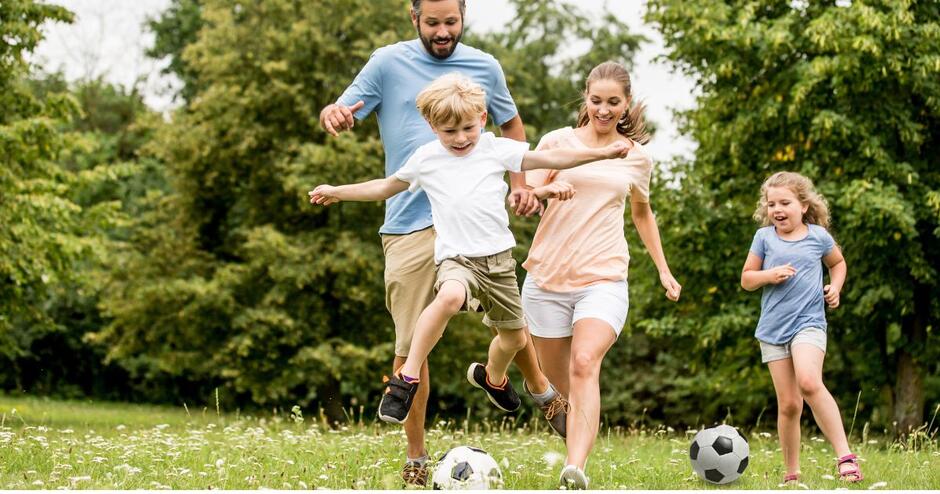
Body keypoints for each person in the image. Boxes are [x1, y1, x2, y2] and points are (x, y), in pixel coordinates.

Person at [317, 0, 567, 485]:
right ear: (414, 19)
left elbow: (511, 128)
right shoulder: (387, 62)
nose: (442, 31)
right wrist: (337, 113)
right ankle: (416, 455)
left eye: (451, 22)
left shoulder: (484, 67)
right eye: (432, 23)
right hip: (409, 223)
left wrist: (520, 185)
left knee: (510, 312)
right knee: (412, 341)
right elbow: (346, 107)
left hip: (474, 220)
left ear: (463, 18)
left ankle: (539, 386)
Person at [310, 73, 630, 431]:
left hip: (498, 264)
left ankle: (492, 377)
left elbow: (551, 158)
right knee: (447, 297)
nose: (460, 139)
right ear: (432, 126)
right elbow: (386, 187)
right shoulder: (426, 158)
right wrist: (339, 191)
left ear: (481, 119)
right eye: (450, 132)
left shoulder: (495, 148)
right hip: (456, 260)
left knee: (514, 338)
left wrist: (601, 152)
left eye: (467, 128)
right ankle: (406, 378)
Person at [520, 61, 682, 489]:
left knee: (586, 361)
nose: (604, 110)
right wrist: (542, 191)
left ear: (626, 103)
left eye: (613, 102)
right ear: (585, 99)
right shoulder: (557, 141)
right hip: (547, 278)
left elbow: (642, 213)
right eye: (596, 101)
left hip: (604, 277)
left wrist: (663, 269)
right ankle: (554, 408)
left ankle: (575, 470)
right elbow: (522, 193)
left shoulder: (636, 157)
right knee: (562, 390)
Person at [740, 171, 862, 485]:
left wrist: (835, 287)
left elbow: (838, 263)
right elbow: (747, 279)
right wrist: (770, 275)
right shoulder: (763, 238)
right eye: (771, 204)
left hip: (809, 323)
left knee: (809, 382)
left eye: (785, 203)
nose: (777, 209)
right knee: (790, 404)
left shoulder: (818, 236)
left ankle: (845, 457)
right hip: (772, 329)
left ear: (803, 206)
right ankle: (792, 474)